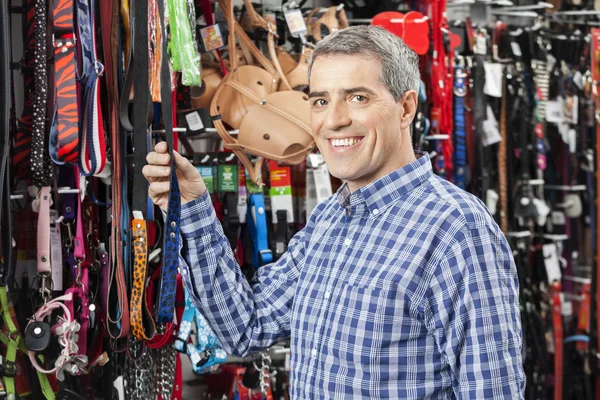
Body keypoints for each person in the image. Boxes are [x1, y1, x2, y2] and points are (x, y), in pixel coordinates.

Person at [143, 25, 525, 399]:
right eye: (321, 100)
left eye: (357, 97)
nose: (334, 120)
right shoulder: (329, 219)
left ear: (406, 108)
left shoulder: (458, 230)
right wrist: (193, 205)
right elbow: (245, 326)